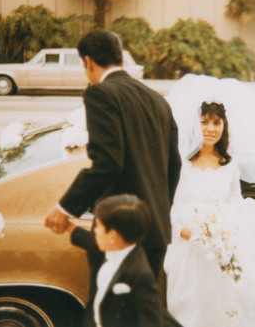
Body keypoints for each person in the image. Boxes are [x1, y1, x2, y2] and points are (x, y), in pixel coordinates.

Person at [45, 29, 181, 278]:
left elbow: (108, 164)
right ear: (120, 58)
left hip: (118, 236)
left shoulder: (101, 93)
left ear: (87, 61)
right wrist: (158, 211)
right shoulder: (157, 100)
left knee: (112, 312)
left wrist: (65, 208)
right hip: (157, 233)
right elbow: (174, 166)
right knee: (143, 311)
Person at [164, 102, 255, 327]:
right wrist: (183, 231)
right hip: (189, 241)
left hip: (225, 240)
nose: (211, 129)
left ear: (224, 127)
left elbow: (235, 202)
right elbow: (171, 205)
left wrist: (227, 231)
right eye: (205, 122)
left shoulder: (229, 164)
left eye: (217, 123)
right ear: (194, 126)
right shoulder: (181, 165)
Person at [66, 194, 181, 327]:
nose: (95, 231)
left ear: (113, 236)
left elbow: (150, 321)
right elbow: (92, 243)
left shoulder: (140, 274)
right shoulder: (115, 251)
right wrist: (69, 228)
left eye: (98, 227)